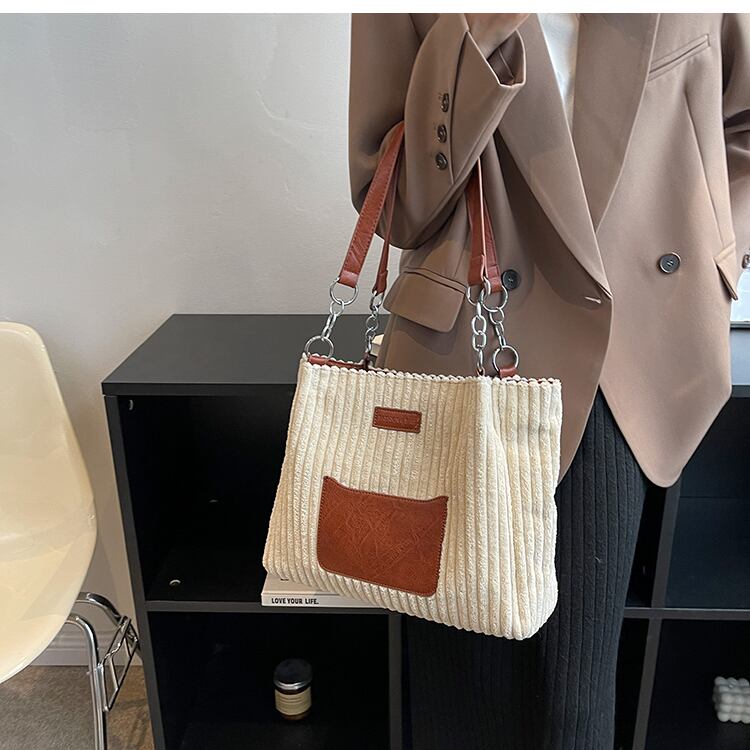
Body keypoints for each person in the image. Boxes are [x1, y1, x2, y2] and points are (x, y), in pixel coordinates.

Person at [348, 13, 750, 749]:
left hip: (626, 353)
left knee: (575, 701)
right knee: (460, 689)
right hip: (465, 353)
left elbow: (741, 126)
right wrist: (475, 39)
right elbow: (396, 203)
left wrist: (717, 246)